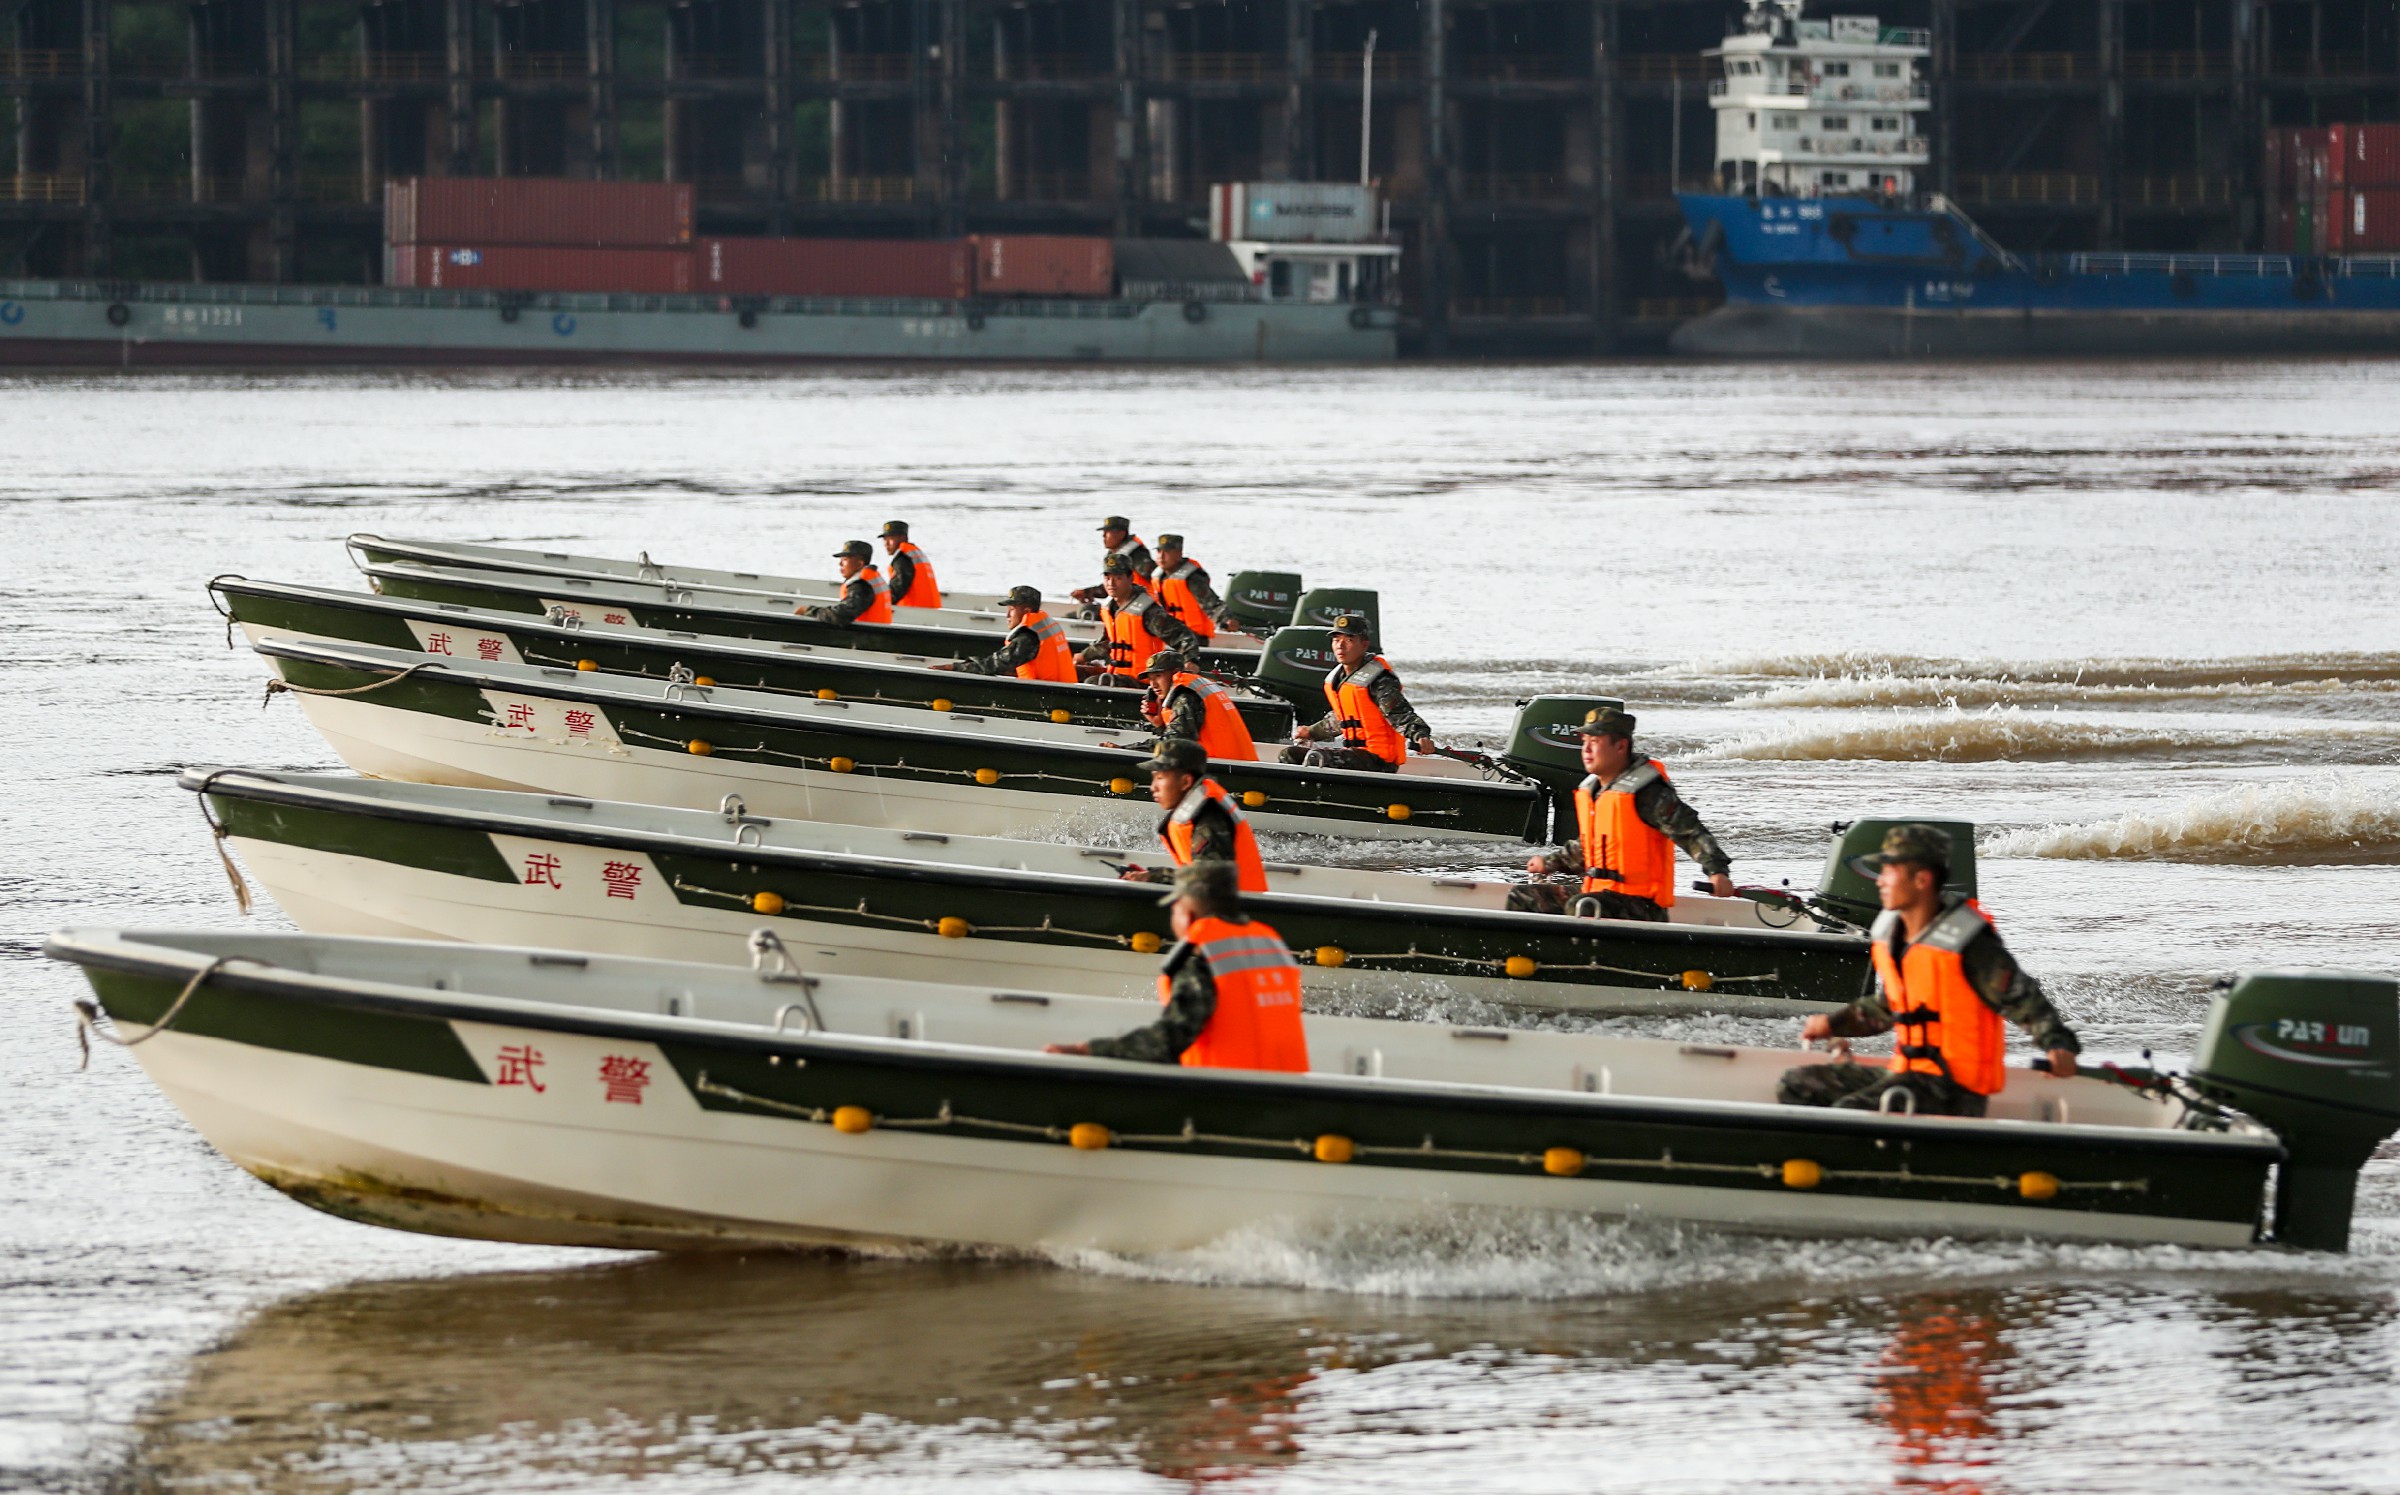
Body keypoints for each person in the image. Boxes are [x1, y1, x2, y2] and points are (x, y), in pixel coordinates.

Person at [1778, 823, 2082, 1118]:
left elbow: (2021, 996)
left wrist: (2056, 1044)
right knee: (1797, 1085)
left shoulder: (1966, 942)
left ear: (1921, 880)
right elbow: (1890, 1008)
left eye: (1888, 871)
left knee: (1852, 1113)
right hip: (1909, 1072)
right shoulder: (1895, 933)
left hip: (1953, 1089)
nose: (1879, 881)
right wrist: (1832, 1025)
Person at [1045, 861, 1307, 1071]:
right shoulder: (1269, 941)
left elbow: (1170, 1038)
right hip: (1289, 1090)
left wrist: (1085, 1050)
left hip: (1231, 1097)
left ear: (1188, 912)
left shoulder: (1202, 955)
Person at [1508, 708, 1736, 920]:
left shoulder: (1648, 793)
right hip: (1598, 892)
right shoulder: (1595, 789)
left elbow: (1691, 832)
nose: (1585, 750)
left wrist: (1717, 872)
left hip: (1641, 905)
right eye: (1585, 741)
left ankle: (1582, 961)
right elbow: (1588, 847)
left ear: (1620, 746)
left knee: (1582, 905)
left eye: (1595, 742)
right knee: (1524, 897)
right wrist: (1548, 863)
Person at [1279, 614, 1434, 772]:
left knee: (1316, 758)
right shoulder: (1340, 679)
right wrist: (1310, 732)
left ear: (1364, 645)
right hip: (1354, 756)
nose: (1340, 645)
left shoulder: (1379, 680)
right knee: (1288, 755)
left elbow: (1400, 713)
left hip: (1378, 761)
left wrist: (1420, 735)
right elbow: (1340, 720)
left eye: (1349, 640)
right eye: (1336, 639)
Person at [1113, 738, 1269, 892]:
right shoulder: (1199, 805)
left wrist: (1152, 877)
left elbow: (1210, 881)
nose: (1153, 787)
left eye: (1160, 778)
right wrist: (1148, 876)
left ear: (1185, 782)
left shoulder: (1208, 817)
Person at [1077, 552, 1200, 683]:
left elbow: (1182, 635)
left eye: (1118, 578)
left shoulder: (1148, 611)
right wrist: (1083, 656)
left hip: (1142, 680)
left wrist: (1191, 660)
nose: (1111, 583)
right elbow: (1106, 643)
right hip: (1117, 675)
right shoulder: (1109, 608)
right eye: (1107, 578)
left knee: (1091, 682)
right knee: (1077, 671)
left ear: (1130, 578)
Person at [933, 585, 1076, 681]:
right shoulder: (1044, 625)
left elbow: (994, 664)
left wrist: (954, 667)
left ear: (1026, 611)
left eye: (1012, 609)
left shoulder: (1028, 637)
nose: (1007, 615)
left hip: (1049, 696)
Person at [1138, 651, 1257, 762]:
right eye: (1150, 679)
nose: (1153, 685)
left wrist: (1125, 749)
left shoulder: (1185, 696)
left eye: (1158, 676)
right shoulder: (1198, 686)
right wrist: (1159, 724)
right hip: (1237, 766)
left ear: (1175, 672)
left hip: (1223, 772)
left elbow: (1173, 745)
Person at [1151, 534, 1226, 642]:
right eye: (1159, 552)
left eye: (1166, 552)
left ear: (1178, 554)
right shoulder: (1158, 577)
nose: (1161, 557)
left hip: (1193, 637)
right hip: (1171, 635)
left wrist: (1225, 619)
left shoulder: (1192, 578)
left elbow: (1211, 602)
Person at [1069, 516, 1156, 606]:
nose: (1103, 535)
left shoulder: (1137, 554)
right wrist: (1087, 592)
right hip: (1126, 603)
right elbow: (1112, 587)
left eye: (1108, 532)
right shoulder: (1114, 555)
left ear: (1121, 534)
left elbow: (1155, 576)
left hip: (1142, 604)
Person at [803, 541, 891, 624]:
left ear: (859, 564)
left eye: (845, 559)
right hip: (877, 635)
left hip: (866, 637)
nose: (840, 564)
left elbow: (842, 615)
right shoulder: (872, 578)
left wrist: (811, 611)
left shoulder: (861, 586)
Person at [878, 521, 942, 609]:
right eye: (885, 539)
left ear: (903, 538)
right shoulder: (915, 554)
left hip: (915, 613)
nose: (886, 543)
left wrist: (878, 604)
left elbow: (897, 591)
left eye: (891, 538)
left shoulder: (903, 560)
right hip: (928, 610)